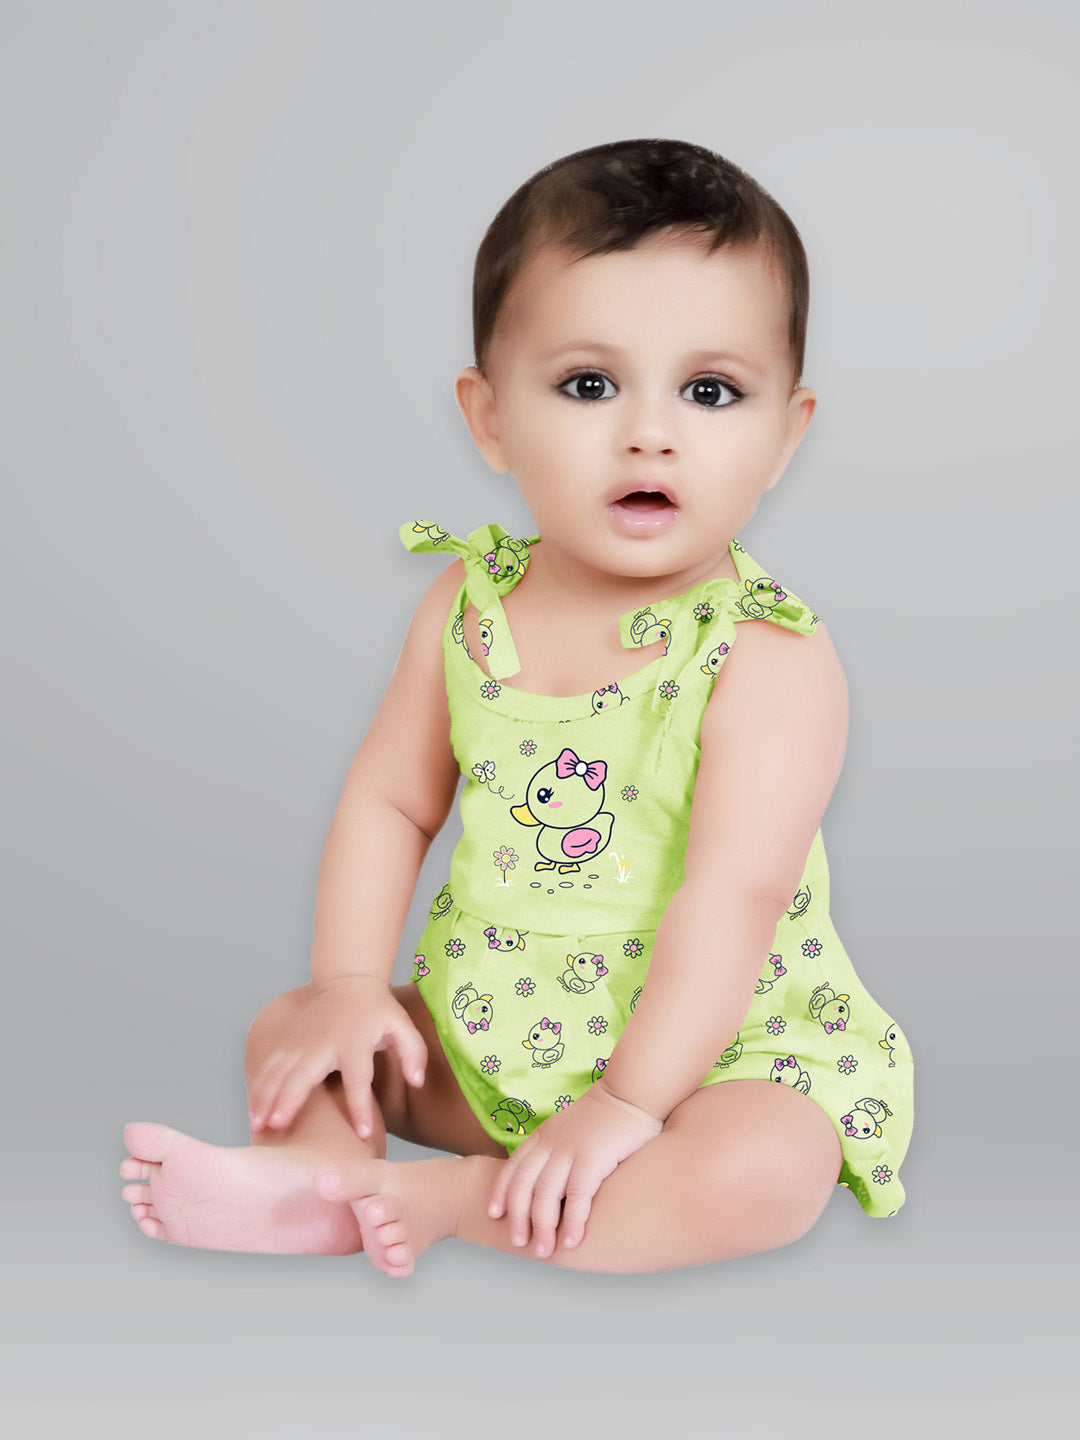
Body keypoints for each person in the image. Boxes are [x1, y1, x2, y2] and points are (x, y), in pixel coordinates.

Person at [120, 138, 914, 1277]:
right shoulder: (468, 602)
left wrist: (628, 1104)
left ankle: (457, 1200)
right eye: (589, 385)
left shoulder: (766, 654)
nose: (650, 432)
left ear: (787, 433)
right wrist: (350, 986)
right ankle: (321, 1182)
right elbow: (391, 801)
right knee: (294, 1029)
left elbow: (732, 900)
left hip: (708, 1060)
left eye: (711, 391)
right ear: (488, 417)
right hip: (492, 1027)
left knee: (762, 1169)